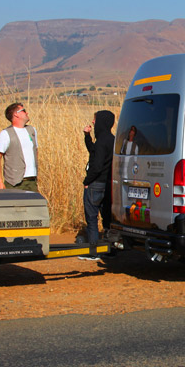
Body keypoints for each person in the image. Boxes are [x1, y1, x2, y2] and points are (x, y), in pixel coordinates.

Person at [79, 110, 115, 259]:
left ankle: (93, 252)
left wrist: (87, 181)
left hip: (96, 184)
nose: (93, 122)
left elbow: (97, 165)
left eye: (95, 120)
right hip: (108, 185)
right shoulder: (112, 139)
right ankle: (110, 250)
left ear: (101, 121)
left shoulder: (101, 141)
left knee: (92, 218)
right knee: (107, 218)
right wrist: (87, 136)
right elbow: (94, 152)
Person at [0, 102, 39, 192]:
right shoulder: (6, 134)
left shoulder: (31, 130)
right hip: (14, 183)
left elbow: (36, 151)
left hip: (32, 181)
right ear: (16, 114)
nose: (27, 113)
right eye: (23, 110)